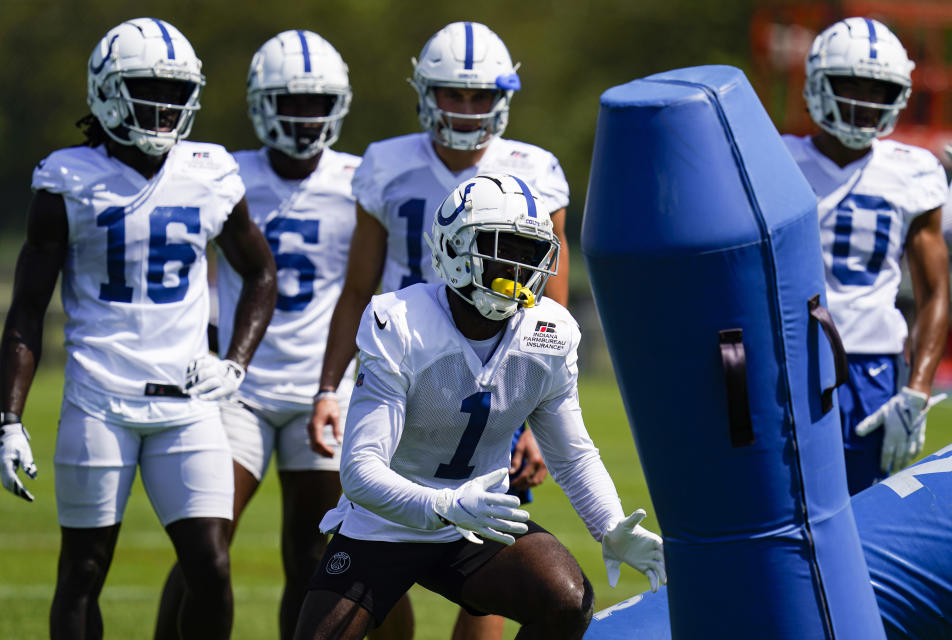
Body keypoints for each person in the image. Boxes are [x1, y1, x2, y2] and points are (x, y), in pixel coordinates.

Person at [293, 174, 666, 640]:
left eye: (529, 254)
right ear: (455, 248)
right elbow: (361, 471)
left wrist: (610, 525)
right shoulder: (402, 323)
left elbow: (572, 455)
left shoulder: (548, 333)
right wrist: (446, 504)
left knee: (568, 602)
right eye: (501, 247)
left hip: (477, 520)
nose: (516, 266)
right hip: (388, 519)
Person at [0, 18, 277, 640]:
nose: (162, 104)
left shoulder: (210, 171)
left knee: (210, 565)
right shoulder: (66, 180)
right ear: (104, 91)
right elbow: (26, 309)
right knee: (84, 570)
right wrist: (8, 417)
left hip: (189, 401)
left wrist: (234, 360)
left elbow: (260, 274)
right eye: (146, 86)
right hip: (99, 399)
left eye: (176, 90)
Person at [309, 22, 570, 636]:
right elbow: (358, 285)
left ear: (503, 98)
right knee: (377, 532)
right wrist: (328, 386)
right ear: (426, 92)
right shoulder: (387, 163)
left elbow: (547, 311)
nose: (466, 108)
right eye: (454, 93)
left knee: (485, 554)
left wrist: (538, 419)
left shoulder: (536, 168)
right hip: (402, 363)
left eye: (480, 95)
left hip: (492, 373)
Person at [153, 30, 358, 640]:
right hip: (233, 384)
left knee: (314, 556)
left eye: (317, 102)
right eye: (290, 101)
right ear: (261, 103)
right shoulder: (222, 171)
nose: (304, 116)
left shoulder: (362, 179)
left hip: (324, 389)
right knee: (203, 546)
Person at [781, 17, 950, 495]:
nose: (861, 100)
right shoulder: (772, 158)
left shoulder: (914, 170)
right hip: (787, 358)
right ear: (818, 83)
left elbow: (935, 292)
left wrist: (916, 390)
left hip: (871, 367)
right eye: (848, 84)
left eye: (876, 88)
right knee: (779, 511)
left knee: (857, 509)